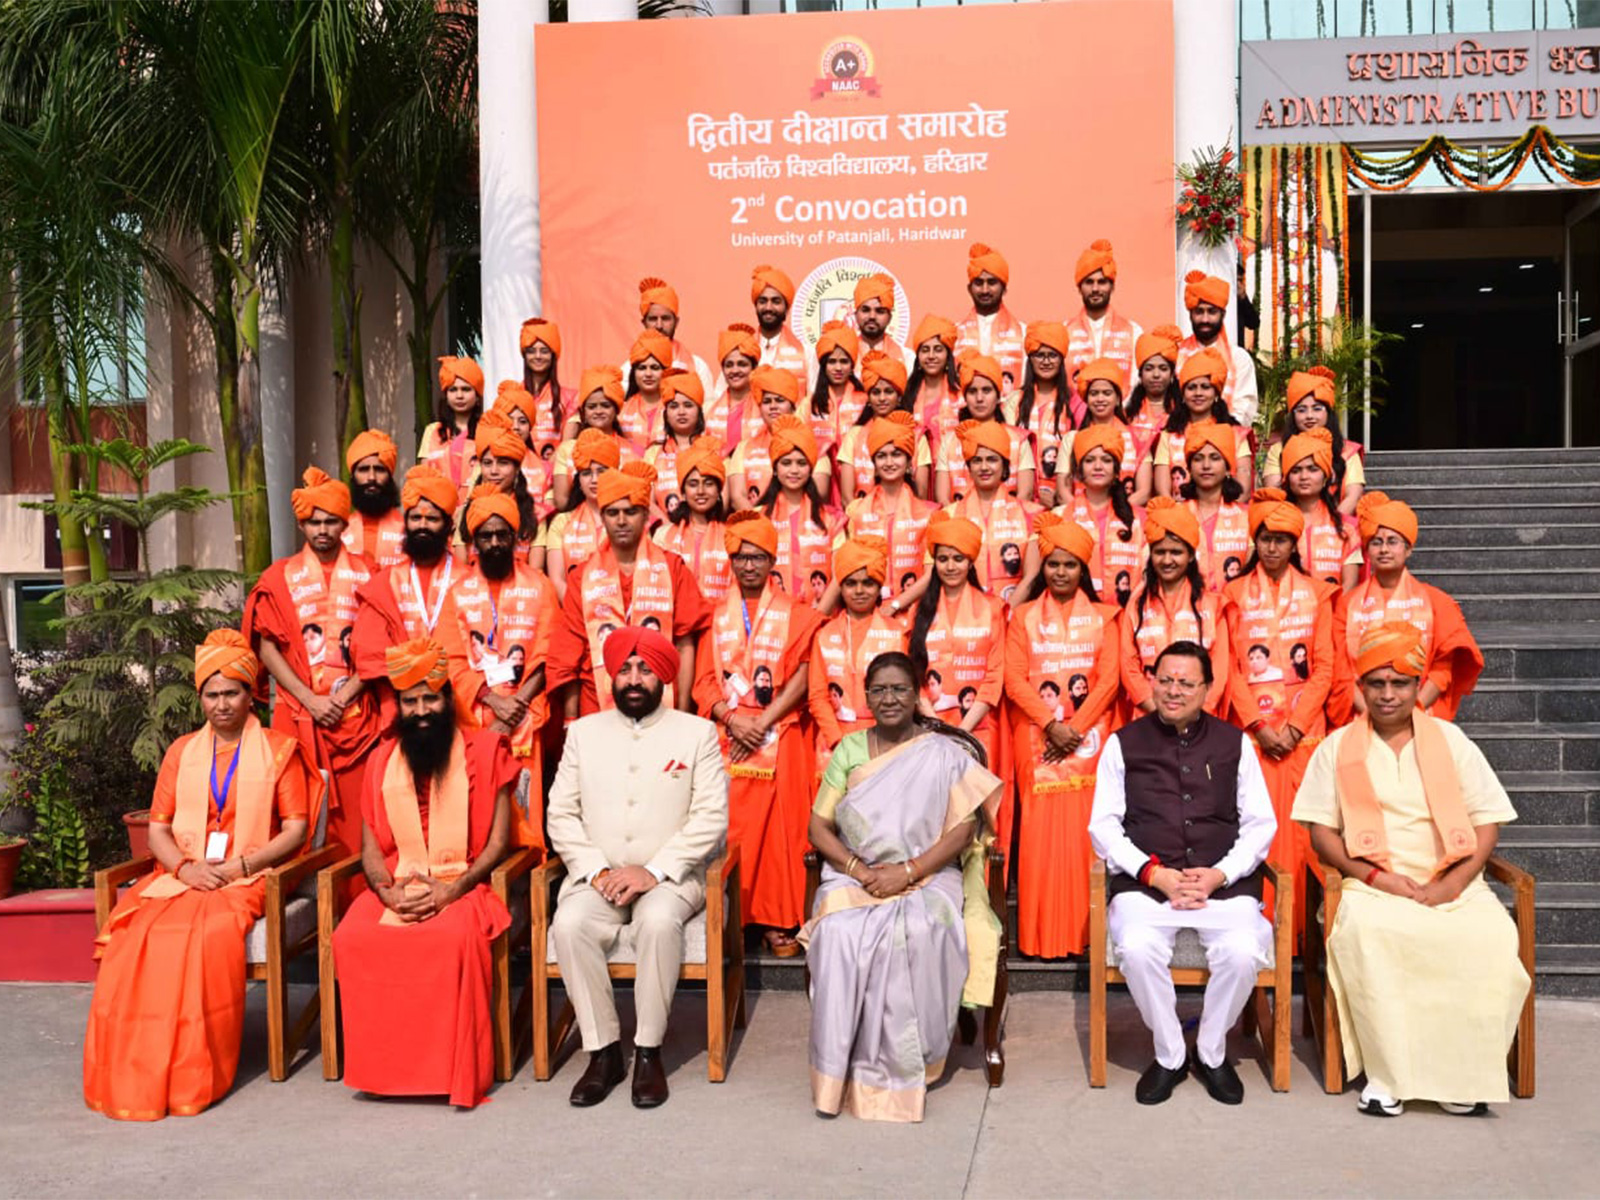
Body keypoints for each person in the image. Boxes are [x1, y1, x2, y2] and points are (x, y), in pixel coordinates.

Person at [1292, 622, 1530, 1117]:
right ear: (1359, 689)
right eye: (1375, 684)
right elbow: (1321, 834)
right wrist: (1377, 877)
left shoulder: (1451, 740)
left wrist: (1452, 883)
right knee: (1373, 934)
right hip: (1372, 884)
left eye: (1399, 683)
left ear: (1417, 685)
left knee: (1488, 935)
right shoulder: (1336, 748)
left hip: (1453, 883)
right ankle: (1388, 1076)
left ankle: (1462, 1076)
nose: (1387, 695)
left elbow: (1486, 821)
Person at [84, 631, 320, 1121]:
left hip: (250, 875)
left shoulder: (280, 750)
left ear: (250, 693)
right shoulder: (181, 752)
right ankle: (133, 1071)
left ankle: (189, 1072)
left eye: (231, 692)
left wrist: (242, 865)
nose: (221, 704)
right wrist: (186, 868)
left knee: (207, 934)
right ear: (201, 699)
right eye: (211, 695)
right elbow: (157, 831)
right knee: (134, 937)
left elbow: (296, 830)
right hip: (183, 873)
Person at [804, 651, 1003, 1122]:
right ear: (867, 696)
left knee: (916, 932)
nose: (889, 699)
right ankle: (840, 1073)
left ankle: (912, 1062)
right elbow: (818, 828)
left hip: (928, 876)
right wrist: (860, 868)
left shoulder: (944, 753)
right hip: (857, 875)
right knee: (836, 935)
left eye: (899, 689)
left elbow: (963, 830)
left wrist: (908, 872)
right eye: (879, 690)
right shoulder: (850, 749)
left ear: (918, 696)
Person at [331, 638, 518, 1110]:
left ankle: (445, 1070)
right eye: (410, 701)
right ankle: (384, 1071)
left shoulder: (486, 748)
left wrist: (451, 890)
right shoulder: (381, 759)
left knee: (451, 937)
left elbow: (498, 843)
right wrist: (389, 894)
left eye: (430, 698)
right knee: (354, 936)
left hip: (465, 884)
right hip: (400, 884)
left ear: (448, 700)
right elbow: (370, 850)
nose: (420, 711)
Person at [1088, 640, 1277, 1106]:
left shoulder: (1235, 743)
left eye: (1186, 683)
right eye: (1165, 680)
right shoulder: (1123, 743)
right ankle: (1171, 1054)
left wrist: (1220, 874)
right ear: (1152, 681)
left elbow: (1260, 824)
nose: (1174, 691)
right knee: (1135, 947)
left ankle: (1211, 1052)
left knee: (1241, 951)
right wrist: (1152, 874)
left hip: (1221, 886)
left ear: (1207, 689)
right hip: (1147, 885)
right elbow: (1103, 826)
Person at [547, 626, 729, 1109]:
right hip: (599, 877)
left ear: (663, 676)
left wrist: (654, 871)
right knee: (569, 923)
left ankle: (648, 1051)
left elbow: (711, 816)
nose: (633, 679)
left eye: (644, 669)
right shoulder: (583, 733)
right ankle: (603, 1051)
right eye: (624, 669)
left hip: (672, 877)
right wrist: (594, 871)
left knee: (657, 920)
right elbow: (560, 813)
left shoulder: (697, 733)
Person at [694, 511, 823, 956]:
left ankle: (775, 917)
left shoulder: (798, 614)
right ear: (730, 561)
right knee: (733, 830)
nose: (748, 566)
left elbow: (807, 675)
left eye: (758, 558)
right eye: (741, 558)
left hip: (780, 733)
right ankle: (735, 914)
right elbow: (703, 683)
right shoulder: (714, 617)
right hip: (730, 736)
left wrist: (763, 721)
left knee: (782, 832)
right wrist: (733, 720)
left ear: (773, 561)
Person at [244, 467, 381, 857]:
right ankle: (304, 902)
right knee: (296, 812)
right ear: (302, 525)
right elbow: (266, 647)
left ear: (344, 524)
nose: (322, 530)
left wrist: (345, 696)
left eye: (330, 522)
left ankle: (357, 900)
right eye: (313, 522)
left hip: (355, 716)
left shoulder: (369, 572)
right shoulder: (278, 576)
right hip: (299, 715)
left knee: (358, 818)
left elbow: (378, 642)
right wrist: (311, 699)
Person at [1222, 488, 1337, 941]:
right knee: (1250, 827)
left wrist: (1293, 726)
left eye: (1282, 540)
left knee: (1304, 831)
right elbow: (1228, 667)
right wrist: (1258, 725)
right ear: (1255, 541)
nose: (1273, 547)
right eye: (1266, 538)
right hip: (1252, 736)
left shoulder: (1319, 594)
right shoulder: (1231, 594)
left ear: (1295, 545)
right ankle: (1253, 928)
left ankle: (1302, 937)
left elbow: (1325, 666)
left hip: (1303, 736)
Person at [1005, 514, 1121, 957]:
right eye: (1053, 563)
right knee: (1038, 838)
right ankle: (1041, 937)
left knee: (1086, 836)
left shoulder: (1106, 617)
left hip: (1090, 741)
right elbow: (1015, 680)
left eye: (1070, 565)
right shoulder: (1022, 617)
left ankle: (1085, 936)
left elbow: (1109, 681)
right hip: (1036, 740)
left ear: (1083, 570)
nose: (1059, 572)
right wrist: (1051, 724)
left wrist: (1075, 727)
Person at [437, 488, 559, 846]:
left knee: (525, 819)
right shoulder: (458, 592)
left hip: (524, 718)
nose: (493, 543)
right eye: (485, 536)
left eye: (501, 535)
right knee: (477, 822)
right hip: (474, 722)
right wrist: (494, 700)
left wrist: (516, 702)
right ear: (473, 541)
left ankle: (525, 893)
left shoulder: (541, 586)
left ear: (515, 538)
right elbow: (452, 660)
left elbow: (548, 652)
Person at [548, 462, 709, 717]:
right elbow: (570, 655)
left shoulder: (673, 568)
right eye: (612, 513)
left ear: (646, 516)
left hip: (664, 708)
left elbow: (686, 645)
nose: (621, 521)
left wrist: (684, 713)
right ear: (603, 517)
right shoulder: (582, 577)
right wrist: (570, 720)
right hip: (597, 708)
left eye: (630, 512)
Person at [1330, 491, 1482, 725]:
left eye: (1392, 542)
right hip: (1361, 718)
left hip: (1420, 716)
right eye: (1376, 542)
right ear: (1366, 550)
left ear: (1408, 549)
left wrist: (1413, 711)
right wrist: (1372, 716)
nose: (1384, 550)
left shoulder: (1437, 602)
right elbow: (1341, 672)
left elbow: (1442, 670)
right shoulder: (1346, 605)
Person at [912, 516, 1006, 843]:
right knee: (934, 821)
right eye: (942, 559)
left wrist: (961, 735)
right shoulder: (919, 611)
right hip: (929, 730)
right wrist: (939, 728)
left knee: (981, 823)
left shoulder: (994, 608)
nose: (950, 566)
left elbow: (995, 676)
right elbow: (914, 677)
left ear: (971, 561)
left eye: (958, 558)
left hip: (979, 730)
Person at [350, 464, 461, 728]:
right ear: (405, 523)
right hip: (402, 702)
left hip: (459, 699)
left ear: (449, 525)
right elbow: (368, 650)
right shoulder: (384, 582)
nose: (422, 525)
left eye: (432, 519)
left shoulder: (469, 579)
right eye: (415, 518)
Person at [1121, 498, 1231, 718]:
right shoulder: (1137, 602)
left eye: (1176, 552)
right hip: (1149, 717)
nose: (1167, 560)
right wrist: (1158, 711)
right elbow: (1128, 665)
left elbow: (1219, 668)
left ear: (1190, 555)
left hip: (1201, 718)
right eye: (1160, 552)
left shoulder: (1212, 603)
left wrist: (1194, 711)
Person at [808, 536, 909, 770]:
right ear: (840, 588)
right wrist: (840, 743)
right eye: (851, 583)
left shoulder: (897, 634)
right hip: (834, 747)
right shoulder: (823, 635)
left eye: (868, 583)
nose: (860, 591)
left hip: (885, 747)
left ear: (878, 587)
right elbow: (817, 696)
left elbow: (905, 696)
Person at [840, 412, 938, 610]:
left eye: (896, 454)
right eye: (882, 456)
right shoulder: (855, 511)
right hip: (869, 614)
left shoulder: (930, 513)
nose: (889, 462)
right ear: (874, 465)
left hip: (916, 615)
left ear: (910, 463)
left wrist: (894, 605)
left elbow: (930, 574)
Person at [941, 418, 1041, 606]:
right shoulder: (948, 516)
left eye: (992, 460)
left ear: (1004, 465)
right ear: (968, 467)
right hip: (966, 620)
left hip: (1013, 617)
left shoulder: (1032, 515)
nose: (984, 467)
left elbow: (1032, 576)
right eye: (977, 460)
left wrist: (1003, 613)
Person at [1058, 424, 1144, 605]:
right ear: (1079, 470)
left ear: (1116, 470)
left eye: (1106, 460)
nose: (1098, 466)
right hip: (1079, 619)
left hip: (1129, 616)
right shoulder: (1061, 515)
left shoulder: (1141, 518)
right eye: (1089, 461)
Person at [934, 351, 1036, 503]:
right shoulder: (950, 441)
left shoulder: (1018, 439)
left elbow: (1025, 495)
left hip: (1009, 523)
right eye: (973, 391)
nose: (979, 398)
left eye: (986, 390)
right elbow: (942, 499)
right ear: (965, 397)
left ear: (998, 395)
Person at [1261, 366, 1365, 514]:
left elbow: (1353, 496)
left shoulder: (1347, 451)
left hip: (1337, 527)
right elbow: (1273, 494)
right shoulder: (1279, 450)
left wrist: (1330, 528)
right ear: (1292, 415)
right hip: (1290, 527)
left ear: (1329, 413)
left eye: (1317, 409)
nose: (1309, 416)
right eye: (1302, 410)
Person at [1153, 347, 1254, 498]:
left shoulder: (1236, 434)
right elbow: (1163, 492)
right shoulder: (1169, 435)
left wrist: (1223, 518)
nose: (1198, 393)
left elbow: (1243, 490)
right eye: (1191, 388)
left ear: (1216, 394)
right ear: (1183, 395)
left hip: (1227, 518)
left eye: (1205, 387)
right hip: (1179, 517)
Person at [729, 365, 831, 510]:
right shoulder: (744, 447)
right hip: (757, 527)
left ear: (793, 406)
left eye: (779, 400)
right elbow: (737, 497)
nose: (773, 406)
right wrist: (762, 525)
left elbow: (820, 491)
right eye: (767, 401)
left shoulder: (813, 444)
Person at [760, 415, 840, 600]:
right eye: (786, 463)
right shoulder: (759, 517)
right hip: (771, 618)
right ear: (775, 468)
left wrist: (818, 615)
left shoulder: (831, 519)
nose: (794, 471)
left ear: (811, 468)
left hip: (820, 618)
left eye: (801, 463)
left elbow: (839, 576)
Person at [837, 349, 930, 501]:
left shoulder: (917, 436)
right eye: (875, 392)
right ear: (868, 397)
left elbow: (921, 495)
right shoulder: (854, 435)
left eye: (888, 392)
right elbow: (847, 497)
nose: (882, 398)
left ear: (899, 397)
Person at [1064, 239, 1143, 417]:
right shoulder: (1064, 332)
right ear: (1079, 287)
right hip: (1073, 423)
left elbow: (1138, 384)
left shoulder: (1133, 332)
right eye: (1089, 282)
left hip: (1121, 420)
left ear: (1112, 286)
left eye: (1102, 282)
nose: (1095, 289)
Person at [654, 435, 733, 605]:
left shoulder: (732, 536)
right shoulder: (662, 536)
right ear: (682, 492)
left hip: (720, 624)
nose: (701, 491)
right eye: (693, 484)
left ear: (719, 490)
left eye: (709, 483)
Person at [1176, 271, 1258, 427]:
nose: (1205, 319)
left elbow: (1244, 409)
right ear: (1190, 315)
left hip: (1226, 439)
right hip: (1180, 439)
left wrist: (1215, 437)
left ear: (1223, 314)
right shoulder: (1176, 354)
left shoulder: (1238, 358)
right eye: (1199, 312)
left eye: (1212, 312)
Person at [1281, 426, 1360, 589]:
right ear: (1287, 478)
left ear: (1326, 477)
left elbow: (1349, 584)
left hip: (1335, 612)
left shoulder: (1347, 528)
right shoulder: (1274, 522)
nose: (1304, 477)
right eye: (1296, 470)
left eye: (1312, 469)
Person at [546, 426, 620, 599]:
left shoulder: (630, 518)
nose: (594, 480)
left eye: (601, 472)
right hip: (575, 616)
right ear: (578, 480)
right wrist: (582, 614)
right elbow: (557, 580)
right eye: (587, 473)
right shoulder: (561, 522)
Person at [1179, 420, 1251, 593]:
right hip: (1188, 611)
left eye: (1214, 458)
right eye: (1198, 459)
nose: (1206, 466)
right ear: (1189, 467)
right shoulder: (1177, 514)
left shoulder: (1247, 516)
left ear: (1228, 468)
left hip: (1236, 609)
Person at [1008, 320, 1074, 508]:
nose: (1046, 361)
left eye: (1052, 355)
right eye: (1039, 355)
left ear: (1061, 359)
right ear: (1030, 359)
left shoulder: (1075, 402)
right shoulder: (1014, 401)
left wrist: (1058, 495)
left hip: (1063, 501)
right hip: (1021, 500)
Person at [466, 409, 542, 566]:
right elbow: (462, 570)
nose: (494, 471)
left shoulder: (536, 514)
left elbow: (536, 573)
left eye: (503, 463)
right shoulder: (464, 513)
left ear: (517, 469)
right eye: (487, 463)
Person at [552, 366, 632, 511]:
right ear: (583, 413)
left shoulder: (630, 451)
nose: (599, 411)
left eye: (605, 405)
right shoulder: (567, 449)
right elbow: (561, 501)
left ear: (616, 410)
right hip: (577, 524)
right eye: (592, 407)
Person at [1072, 357, 1148, 502]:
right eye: (1094, 394)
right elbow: (1063, 488)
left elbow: (1144, 491)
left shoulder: (1138, 438)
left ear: (1118, 399)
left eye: (1107, 393)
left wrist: (1115, 513)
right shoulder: (1072, 438)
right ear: (1086, 399)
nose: (1100, 399)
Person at [955, 242, 1026, 389]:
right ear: (969, 289)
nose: (985, 290)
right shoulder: (954, 335)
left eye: (992, 282)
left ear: (1004, 288)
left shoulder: (1024, 333)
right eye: (979, 283)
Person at [628, 275, 714, 397]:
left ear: (676, 322)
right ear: (644, 323)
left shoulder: (698, 367)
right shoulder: (629, 368)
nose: (659, 325)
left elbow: (706, 411)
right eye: (653, 319)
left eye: (665, 318)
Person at [418, 356, 485, 489]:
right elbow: (423, 475)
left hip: (476, 505)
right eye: (453, 390)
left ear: (477, 396)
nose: (459, 396)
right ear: (446, 396)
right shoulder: (433, 431)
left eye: (466, 389)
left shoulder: (487, 430)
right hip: (438, 504)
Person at [343, 429, 406, 568]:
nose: (371, 477)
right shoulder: (341, 531)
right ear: (353, 477)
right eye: (364, 469)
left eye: (379, 469)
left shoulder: (408, 530)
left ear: (390, 477)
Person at [1124, 324, 1183, 466]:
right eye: (1149, 369)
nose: (1156, 375)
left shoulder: (1184, 411)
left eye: (1163, 369)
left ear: (1171, 375)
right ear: (1140, 374)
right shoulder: (1127, 413)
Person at [518, 316, 574, 459]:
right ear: (524, 355)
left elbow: (567, 447)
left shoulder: (570, 397)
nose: (538, 356)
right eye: (531, 351)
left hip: (553, 473)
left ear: (553, 355)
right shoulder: (512, 394)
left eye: (544, 351)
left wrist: (547, 470)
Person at [705, 322, 765, 451]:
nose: (735, 370)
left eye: (742, 364)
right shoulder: (708, 409)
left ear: (754, 368)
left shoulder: (765, 406)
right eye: (729, 365)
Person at [905, 313, 963, 446]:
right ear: (918, 356)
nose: (931, 356)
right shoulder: (907, 393)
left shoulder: (961, 393)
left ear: (947, 355)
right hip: (916, 464)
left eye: (938, 350)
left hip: (954, 464)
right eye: (925, 350)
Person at [750, 264, 809, 387]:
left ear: (787, 308)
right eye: (763, 301)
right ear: (756, 306)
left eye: (776, 301)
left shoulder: (806, 352)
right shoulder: (742, 350)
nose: (768, 307)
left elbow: (813, 398)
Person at [809, 319, 865, 438]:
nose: (838, 368)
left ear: (852, 365)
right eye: (832, 362)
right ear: (824, 366)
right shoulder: (810, 404)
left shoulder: (864, 401)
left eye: (844, 362)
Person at [851, 271, 912, 371]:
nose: (872, 316)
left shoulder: (908, 359)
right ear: (855, 315)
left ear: (889, 318)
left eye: (880, 311)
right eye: (865, 310)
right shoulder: (842, 358)